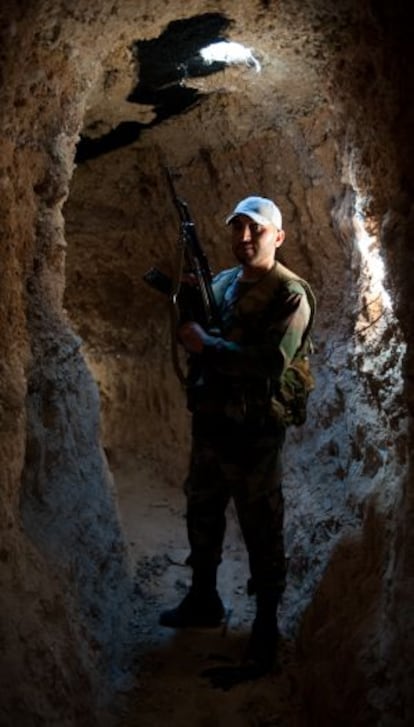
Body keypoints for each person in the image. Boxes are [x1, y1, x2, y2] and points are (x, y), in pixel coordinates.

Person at [159, 196, 315, 677]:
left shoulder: (290, 293)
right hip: (212, 423)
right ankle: (203, 597)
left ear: (277, 236)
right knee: (202, 510)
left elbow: (270, 362)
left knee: (261, 528)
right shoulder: (224, 282)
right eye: (238, 229)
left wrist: (209, 346)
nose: (244, 238)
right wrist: (184, 298)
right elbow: (200, 327)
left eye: (256, 230)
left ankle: (265, 629)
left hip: (254, 433)